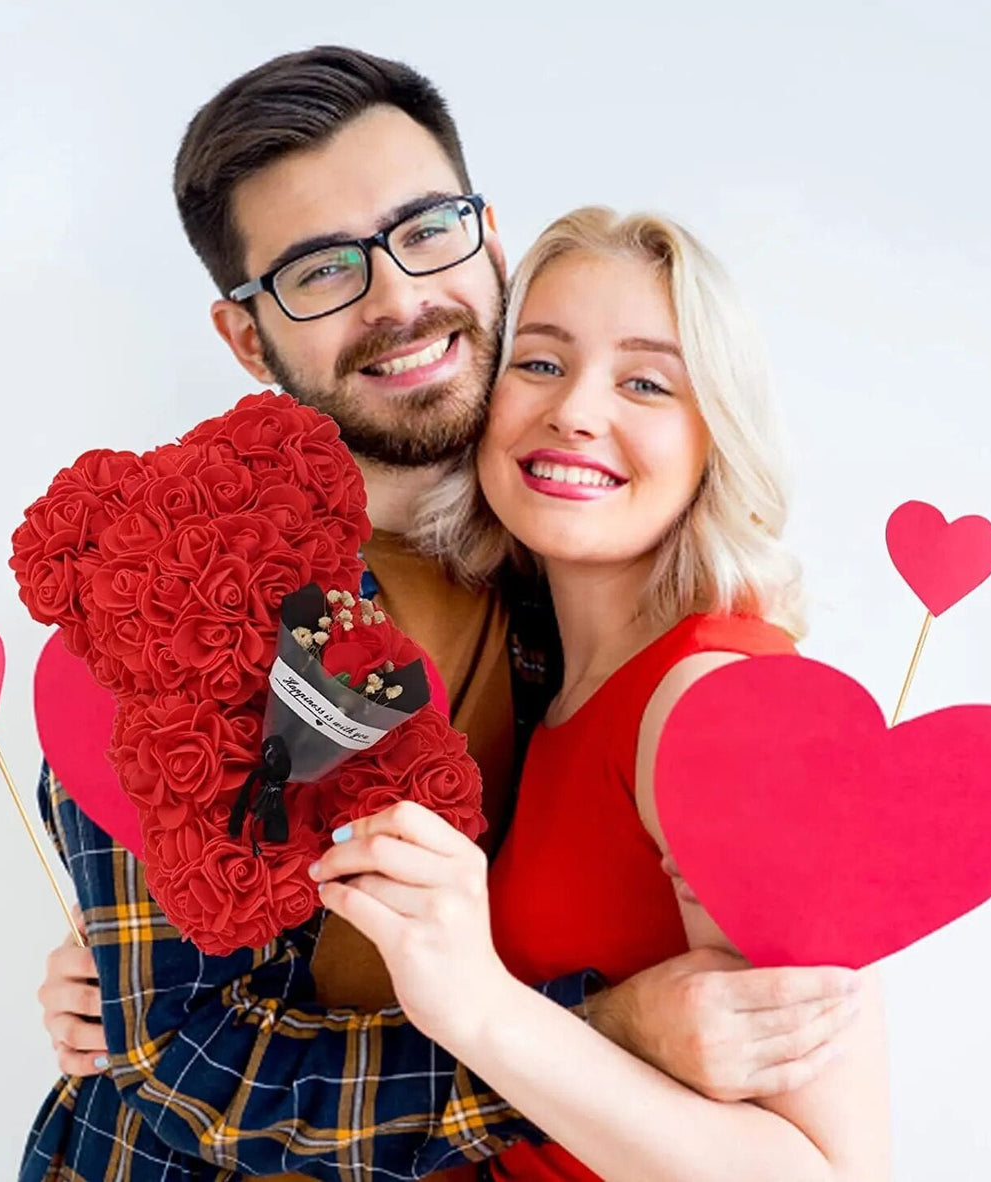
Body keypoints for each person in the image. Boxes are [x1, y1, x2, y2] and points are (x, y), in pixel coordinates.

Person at [26, 47, 864, 1182]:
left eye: (425, 230)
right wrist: (602, 1030)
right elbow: (194, 1069)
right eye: (321, 270)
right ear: (244, 338)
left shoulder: (565, 563)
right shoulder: (179, 607)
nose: (398, 297)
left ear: (490, 241)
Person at [312, 207, 892, 1181]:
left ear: (717, 435)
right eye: (538, 363)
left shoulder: (724, 706)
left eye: (644, 381)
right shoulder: (541, 676)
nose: (577, 410)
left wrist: (484, 1009)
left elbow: (829, 1172)